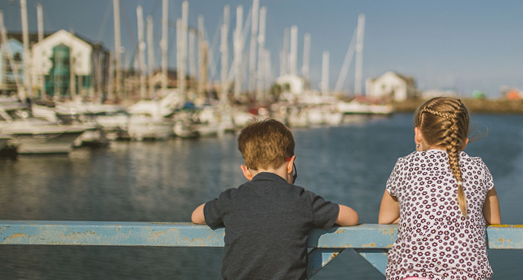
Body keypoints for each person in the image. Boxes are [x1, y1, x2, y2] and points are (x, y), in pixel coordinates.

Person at [191, 119, 359, 280]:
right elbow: (352, 217)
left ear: (246, 171)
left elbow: (196, 216)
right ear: (290, 164)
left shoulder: (230, 199)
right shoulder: (303, 200)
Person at [378, 97, 502, 280]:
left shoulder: (405, 166)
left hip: (411, 274)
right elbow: (494, 221)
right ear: (464, 141)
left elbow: (384, 219)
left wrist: (414, 217)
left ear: (417, 134)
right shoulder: (478, 168)